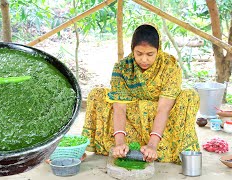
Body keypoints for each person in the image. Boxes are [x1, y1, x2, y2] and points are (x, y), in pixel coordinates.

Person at [81, 24, 200, 164]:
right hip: (131, 117)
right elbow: (119, 107)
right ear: (132, 50)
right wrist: (119, 142)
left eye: (150, 54)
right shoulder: (123, 67)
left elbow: (164, 108)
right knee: (97, 94)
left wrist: (153, 145)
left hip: (160, 118)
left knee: (190, 96)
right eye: (139, 53)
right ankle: (124, 147)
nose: (144, 59)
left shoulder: (170, 66)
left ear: (158, 50)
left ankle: (158, 148)